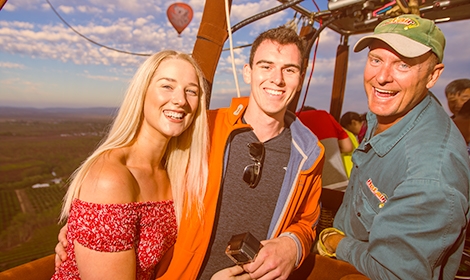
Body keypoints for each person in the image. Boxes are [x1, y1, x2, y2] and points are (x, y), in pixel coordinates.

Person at [56, 26, 325, 280]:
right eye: (266, 66)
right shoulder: (203, 128)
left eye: (289, 70)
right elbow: (115, 194)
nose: (276, 79)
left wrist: (294, 246)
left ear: (301, 77)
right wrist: (93, 228)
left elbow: (307, 221)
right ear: (248, 72)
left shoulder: (308, 153)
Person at [317, 14, 470, 279]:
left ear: (433, 75)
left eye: (403, 65)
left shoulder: (431, 175)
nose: (382, 77)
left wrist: (335, 242)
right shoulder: (386, 113)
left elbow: (394, 273)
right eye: (376, 60)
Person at [51, 50, 210, 280]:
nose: (180, 100)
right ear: (142, 93)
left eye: (191, 91)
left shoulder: (176, 173)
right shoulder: (110, 178)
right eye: (167, 86)